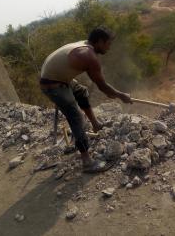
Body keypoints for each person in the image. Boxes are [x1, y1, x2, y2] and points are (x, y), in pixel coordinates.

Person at [40, 27, 132, 173]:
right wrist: (121, 96)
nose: (109, 47)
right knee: (76, 117)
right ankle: (87, 162)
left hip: (60, 78)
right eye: (108, 43)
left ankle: (96, 125)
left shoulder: (85, 45)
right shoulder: (89, 56)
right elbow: (102, 86)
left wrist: (115, 93)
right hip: (52, 85)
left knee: (81, 91)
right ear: (100, 41)